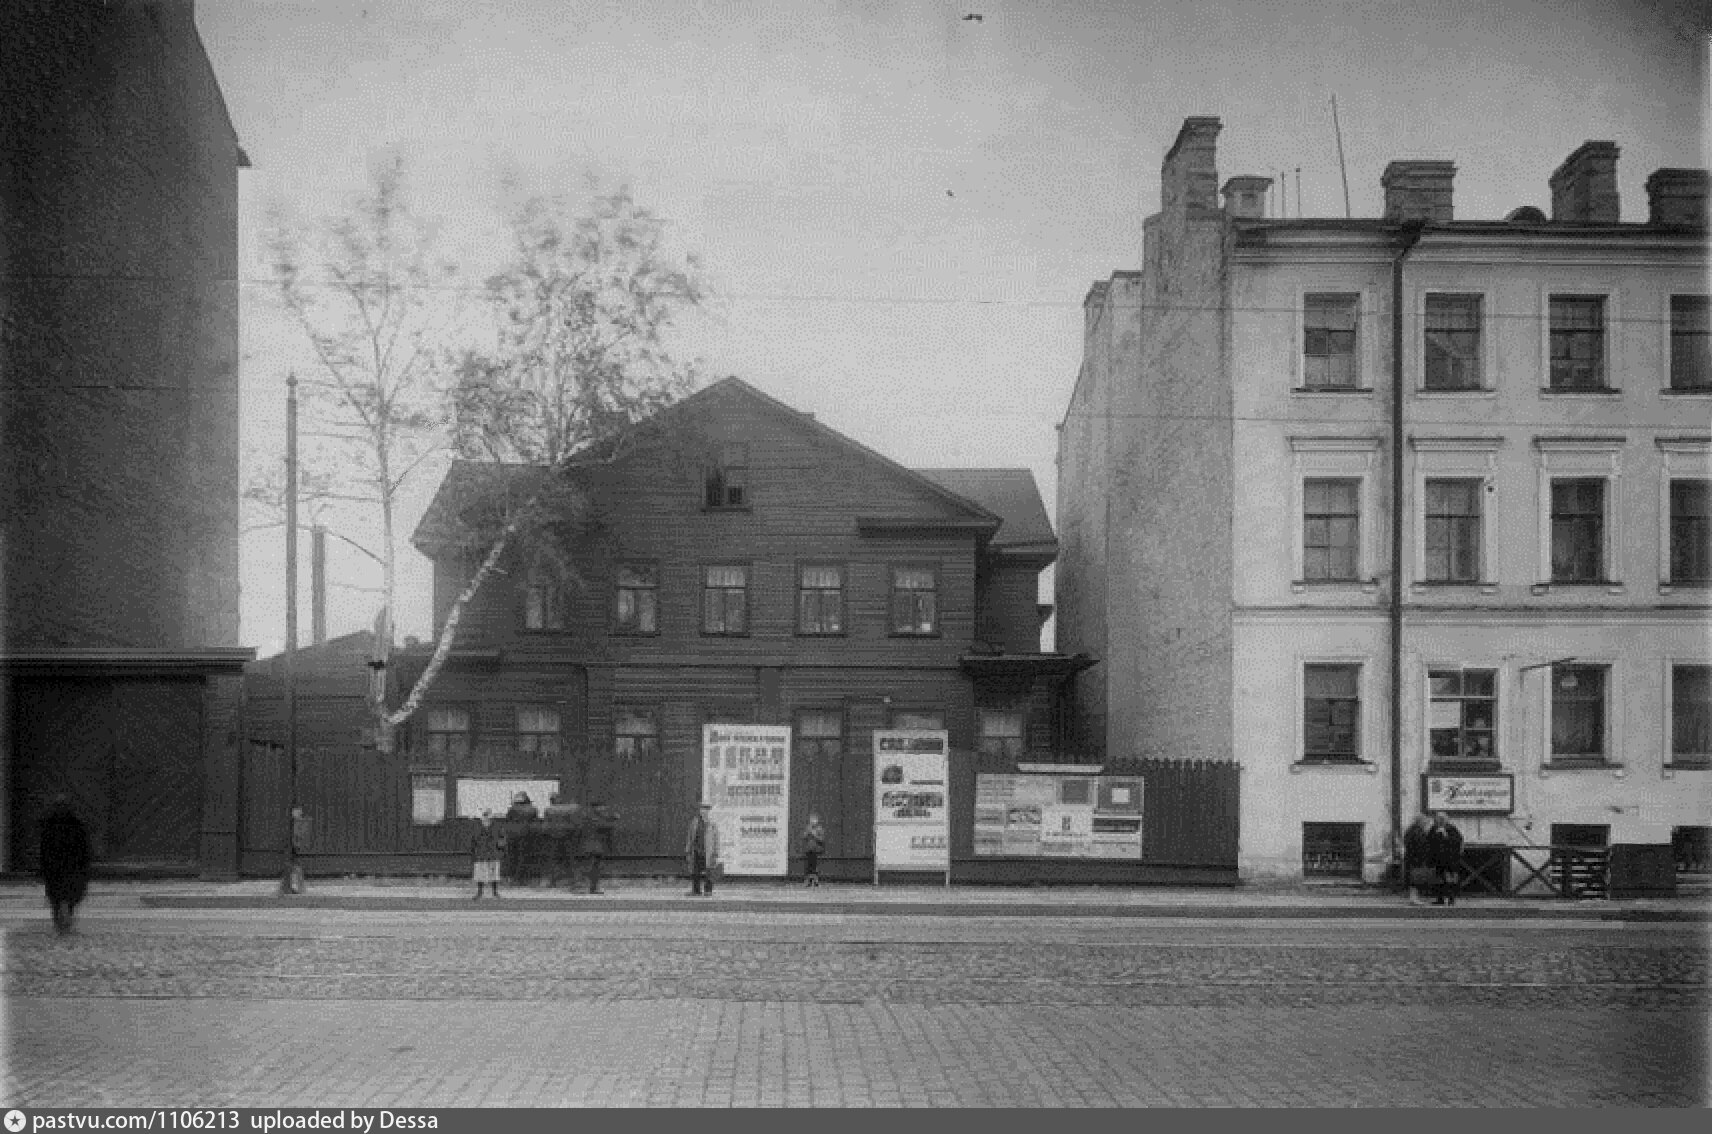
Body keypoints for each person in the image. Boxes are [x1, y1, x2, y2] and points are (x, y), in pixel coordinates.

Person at [39, 795, 92, 935]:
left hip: (64, 867)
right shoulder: (74, 825)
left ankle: (61, 922)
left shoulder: (50, 825)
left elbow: (84, 848)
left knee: (63, 897)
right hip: (64, 867)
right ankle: (63, 921)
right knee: (63, 897)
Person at [1425, 811, 1465, 906]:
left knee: (1450, 879)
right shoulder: (1433, 828)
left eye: (1442, 818)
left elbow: (1458, 841)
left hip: (1450, 859)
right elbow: (1429, 841)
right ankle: (1440, 899)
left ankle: (1451, 899)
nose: (1440, 820)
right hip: (1438, 859)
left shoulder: (1451, 828)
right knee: (1439, 879)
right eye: (1438, 818)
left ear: (1446, 819)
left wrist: (1446, 835)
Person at [581, 801, 619, 894]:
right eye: (601, 807)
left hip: (595, 845)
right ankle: (588, 887)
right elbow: (603, 826)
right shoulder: (593, 817)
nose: (603, 809)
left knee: (595, 867)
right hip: (593, 845)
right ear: (596, 808)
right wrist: (612, 819)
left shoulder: (591, 816)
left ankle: (591, 887)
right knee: (593, 866)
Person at [684, 802, 720, 896]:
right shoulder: (694, 822)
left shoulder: (712, 823)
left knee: (709, 871)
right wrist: (688, 850)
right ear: (700, 810)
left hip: (708, 852)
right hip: (696, 850)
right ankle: (696, 891)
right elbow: (690, 837)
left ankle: (708, 891)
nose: (704, 811)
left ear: (709, 811)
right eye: (702, 808)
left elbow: (716, 839)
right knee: (695, 871)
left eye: (706, 809)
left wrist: (716, 852)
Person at [471, 810, 505, 900]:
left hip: (493, 852)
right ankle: (479, 892)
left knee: (494, 874)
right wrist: (475, 851)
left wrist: (500, 849)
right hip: (481, 853)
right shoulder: (477, 826)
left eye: (488, 816)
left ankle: (494, 892)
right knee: (480, 874)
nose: (486, 818)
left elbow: (502, 839)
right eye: (484, 816)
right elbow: (473, 840)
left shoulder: (496, 826)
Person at [1402, 811, 1433, 906]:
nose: (1426, 824)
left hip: (1412, 858)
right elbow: (1419, 845)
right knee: (1415, 880)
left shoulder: (1412, 830)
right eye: (1424, 822)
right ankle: (1413, 899)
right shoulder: (1417, 831)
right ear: (1419, 821)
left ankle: (1414, 898)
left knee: (1414, 879)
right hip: (1415, 858)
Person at [800, 813, 826, 888]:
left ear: (817, 821)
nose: (813, 821)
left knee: (814, 866)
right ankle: (808, 881)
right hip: (809, 850)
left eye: (814, 820)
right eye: (811, 820)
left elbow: (822, 840)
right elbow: (804, 837)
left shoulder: (819, 829)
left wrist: (814, 835)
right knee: (808, 866)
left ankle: (816, 881)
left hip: (816, 850)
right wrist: (807, 833)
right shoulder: (808, 828)